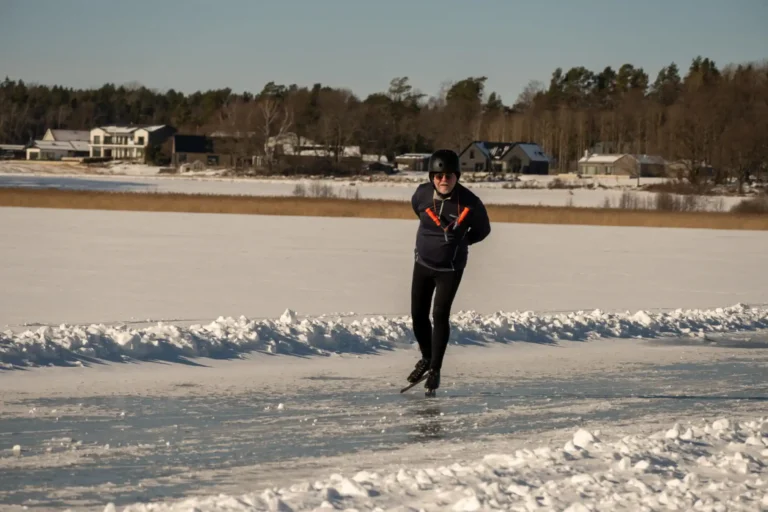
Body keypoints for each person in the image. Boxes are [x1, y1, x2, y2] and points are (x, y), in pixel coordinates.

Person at [407, 149, 491, 396]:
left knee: (439, 315)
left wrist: (461, 243)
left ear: (457, 177)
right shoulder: (422, 194)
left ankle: (435, 369)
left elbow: (483, 230)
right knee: (418, 315)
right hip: (422, 263)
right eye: (439, 175)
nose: (444, 180)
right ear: (432, 176)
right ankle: (426, 357)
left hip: (450, 269)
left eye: (449, 176)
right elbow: (417, 210)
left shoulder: (470, 202)